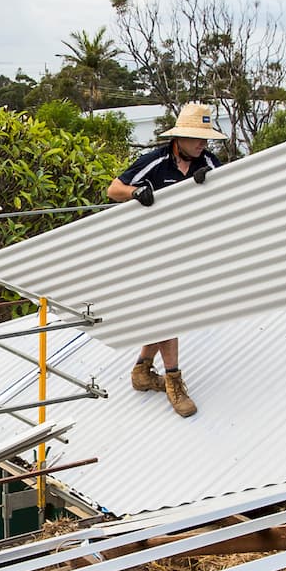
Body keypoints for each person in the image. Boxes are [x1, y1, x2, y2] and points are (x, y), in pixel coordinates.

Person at [106, 101, 223, 418]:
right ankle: (174, 380)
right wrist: (135, 194)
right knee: (168, 313)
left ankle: (142, 371)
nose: (203, 144)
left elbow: (227, 196)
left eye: (206, 138)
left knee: (167, 311)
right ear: (179, 138)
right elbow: (113, 189)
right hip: (151, 247)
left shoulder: (209, 162)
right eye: (197, 138)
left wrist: (208, 187)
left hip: (187, 247)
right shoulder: (156, 161)